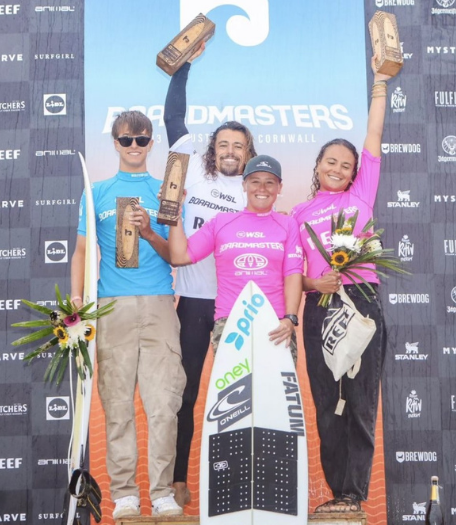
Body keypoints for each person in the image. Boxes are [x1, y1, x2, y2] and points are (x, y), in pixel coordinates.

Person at [289, 50, 392, 514]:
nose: (337, 168)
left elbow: (373, 135)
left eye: (346, 164)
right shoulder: (298, 214)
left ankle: (354, 494)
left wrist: (380, 82)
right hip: (320, 309)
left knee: (361, 400)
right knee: (327, 401)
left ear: (355, 172)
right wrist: (316, 284)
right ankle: (336, 494)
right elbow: (294, 274)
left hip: (362, 301)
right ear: (317, 166)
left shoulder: (361, 195)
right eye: (330, 161)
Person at [70, 110, 186, 518]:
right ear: (115, 143)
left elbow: (176, 255)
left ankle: (162, 492)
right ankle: (124, 493)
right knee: (117, 404)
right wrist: (76, 303)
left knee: (164, 404)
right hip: (111, 307)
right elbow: (82, 252)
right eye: (126, 140)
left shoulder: (166, 192)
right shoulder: (96, 192)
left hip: (159, 304)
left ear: (151, 143)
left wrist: (150, 230)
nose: (134, 146)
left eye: (141, 139)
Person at [161, 43, 256, 507]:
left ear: (249, 153)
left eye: (239, 146)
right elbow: (172, 119)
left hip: (239, 306)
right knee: (186, 393)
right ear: (212, 150)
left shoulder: (255, 192)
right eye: (223, 145)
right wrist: (182, 68)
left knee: (242, 395)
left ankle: (242, 482)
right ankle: (179, 478)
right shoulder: (193, 175)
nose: (230, 152)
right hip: (195, 303)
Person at [168, 155, 303, 362]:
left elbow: (293, 273)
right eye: (255, 181)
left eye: (269, 182)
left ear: (279, 187)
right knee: (235, 385)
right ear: (244, 185)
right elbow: (179, 256)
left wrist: (290, 318)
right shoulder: (221, 222)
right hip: (231, 323)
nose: (262, 188)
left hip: (276, 324)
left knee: (274, 385)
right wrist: (175, 214)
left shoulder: (288, 224)